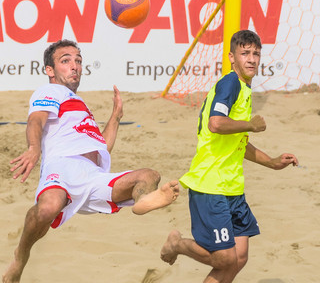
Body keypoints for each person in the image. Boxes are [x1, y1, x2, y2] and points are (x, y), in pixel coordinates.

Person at [3, 39, 179, 283]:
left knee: (149, 175)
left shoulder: (81, 105)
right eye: (65, 61)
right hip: (62, 167)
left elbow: (101, 147)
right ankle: (20, 257)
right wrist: (34, 148)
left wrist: (115, 117)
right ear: (50, 70)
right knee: (48, 207)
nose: (74, 66)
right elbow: (36, 121)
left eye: (78, 60)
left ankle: (142, 201)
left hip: (92, 176)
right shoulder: (49, 91)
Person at [160, 30, 298, 283]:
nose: (252, 59)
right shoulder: (230, 83)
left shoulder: (244, 90)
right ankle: (177, 244)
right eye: (245, 53)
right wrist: (250, 125)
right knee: (225, 259)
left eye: (256, 54)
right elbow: (216, 123)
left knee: (239, 259)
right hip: (210, 185)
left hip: (233, 187)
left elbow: (239, 144)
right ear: (232, 57)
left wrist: (272, 162)